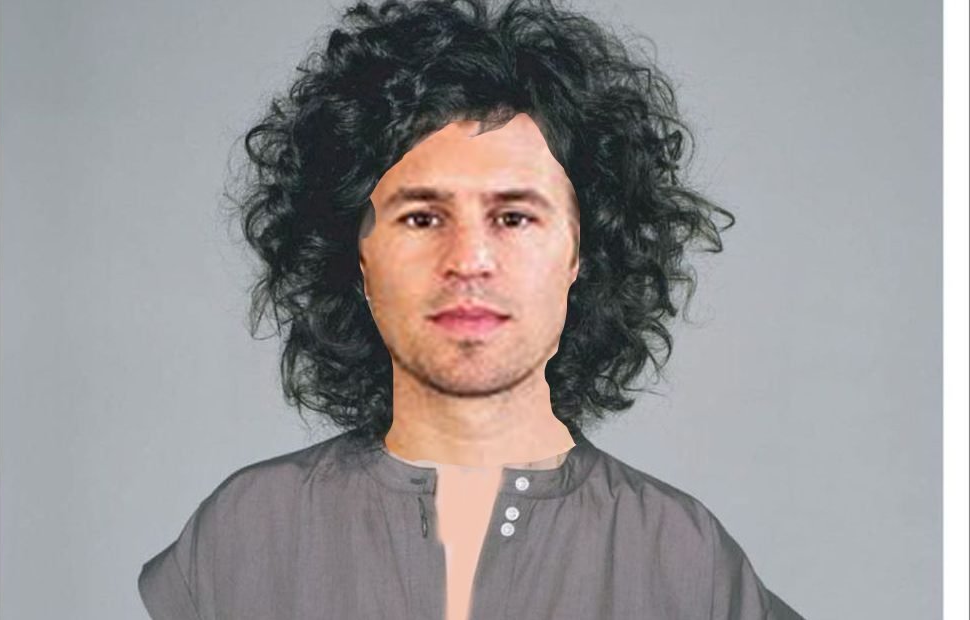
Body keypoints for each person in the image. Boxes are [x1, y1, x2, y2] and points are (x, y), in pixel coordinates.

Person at [138, 0, 805, 618]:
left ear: (582, 253)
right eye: (423, 217)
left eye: (514, 217)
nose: (470, 259)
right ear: (356, 256)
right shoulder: (242, 537)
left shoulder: (685, 561)